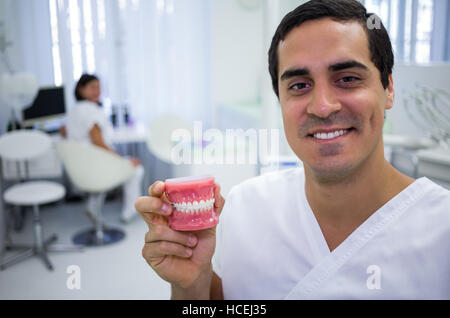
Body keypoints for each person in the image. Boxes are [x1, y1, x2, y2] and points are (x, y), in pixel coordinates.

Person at [134, 0, 450, 299]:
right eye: (299, 85)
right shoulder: (246, 207)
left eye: (348, 78)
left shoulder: (441, 230)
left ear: (389, 89)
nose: (323, 107)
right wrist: (193, 282)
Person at [65, 74, 144, 224]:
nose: (97, 91)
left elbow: (65, 131)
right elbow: (98, 142)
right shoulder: (91, 111)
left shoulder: (74, 111)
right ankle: (130, 212)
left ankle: (93, 204)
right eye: (92, 87)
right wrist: (123, 161)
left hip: (81, 167)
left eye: (99, 87)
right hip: (96, 166)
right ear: (81, 90)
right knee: (136, 169)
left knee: (105, 172)